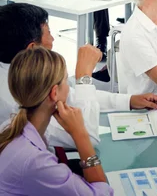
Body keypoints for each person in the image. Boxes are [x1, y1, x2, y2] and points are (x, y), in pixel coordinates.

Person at [0, 2, 157, 149]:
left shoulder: (20, 73)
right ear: (32, 48)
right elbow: (87, 136)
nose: (53, 39)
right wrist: (84, 77)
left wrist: (129, 100)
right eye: (48, 33)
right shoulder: (14, 103)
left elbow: (72, 96)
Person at [0, 47, 112, 195]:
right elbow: (101, 193)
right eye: (66, 80)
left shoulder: (10, 126)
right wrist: (80, 134)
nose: (69, 86)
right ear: (54, 93)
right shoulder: (34, 161)